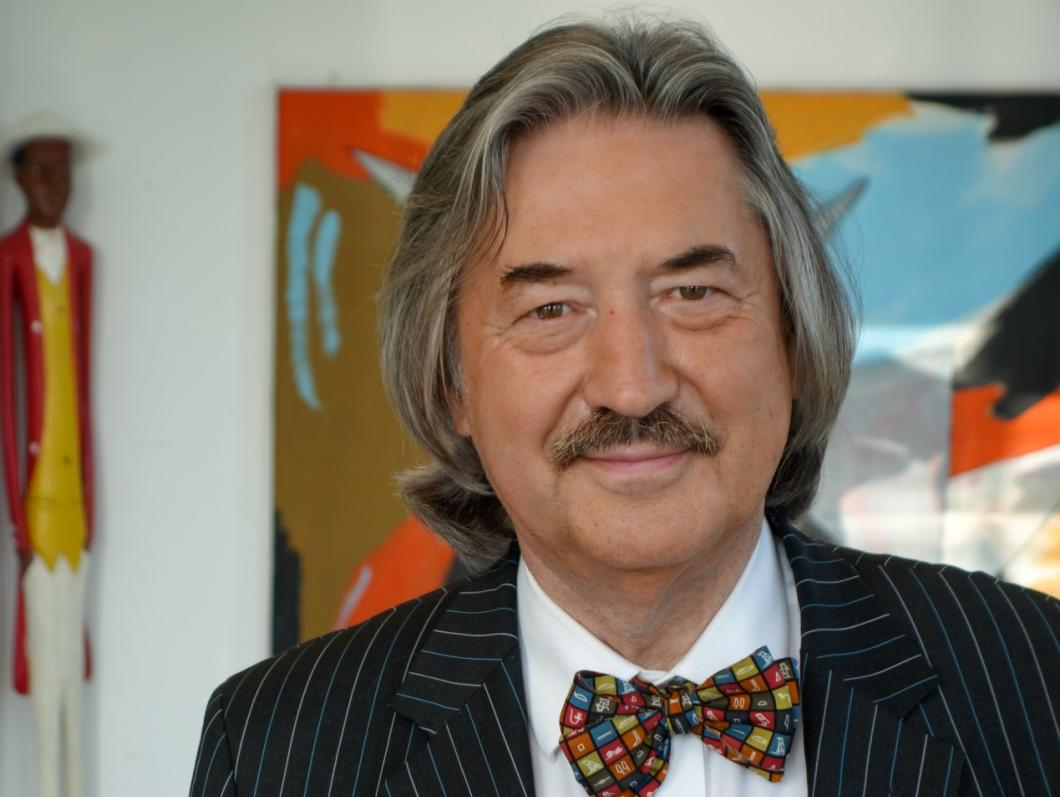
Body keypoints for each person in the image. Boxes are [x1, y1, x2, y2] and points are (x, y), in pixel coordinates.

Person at [191, 18, 1059, 796]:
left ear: (794, 339)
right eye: (551, 309)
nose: (632, 385)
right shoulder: (274, 748)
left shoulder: (1036, 677)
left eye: (692, 292)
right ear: (452, 381)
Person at [0, 112, 94, 797]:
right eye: (41, 172)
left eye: (63, 172)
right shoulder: (10, 258)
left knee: (70, 666)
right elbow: (10, 394)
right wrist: (18, 516)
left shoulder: (80, 259)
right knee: (44, 659)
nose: (54, 185)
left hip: (75, 503)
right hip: (36, 502)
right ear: (18, 179)